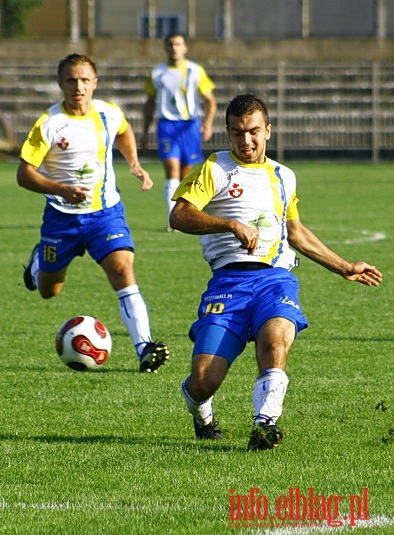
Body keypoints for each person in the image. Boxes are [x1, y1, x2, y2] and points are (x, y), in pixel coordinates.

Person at [169, 93, 382, 450]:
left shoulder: (285, 176)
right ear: (228, 133)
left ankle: (265, 424)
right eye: (237, 132)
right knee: (204, 380)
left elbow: (296, 233)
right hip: (228, 282)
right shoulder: (216, 168)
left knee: (275, 340)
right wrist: (230, 224)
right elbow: (179, 216)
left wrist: (345, 267)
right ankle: (202, 412)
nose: (246, 140)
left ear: (268, 130)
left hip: (274, 278)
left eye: (253, 131)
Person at [17, 53, 169, 373]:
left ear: (95, 83)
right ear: (61, 83)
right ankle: (36, 267)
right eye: (71, 80)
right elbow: (24, 174)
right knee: (48, 290)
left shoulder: (108, 113)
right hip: (61, 216)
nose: (78, 86)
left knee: (122, 269)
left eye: (85, 80)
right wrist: (61, 189)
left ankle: (144, 347)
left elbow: (125, 132)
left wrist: (134, 163)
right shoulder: (49, 123)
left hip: (105, 214)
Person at [141, 32, 217, 228]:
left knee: (185, 175)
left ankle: (183, 215)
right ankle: (170, 220)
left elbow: (210, 100)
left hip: (190, 126)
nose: (174, 48)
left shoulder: (195, 71)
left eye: (178, 44)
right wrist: (144, 131)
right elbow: (149, 103)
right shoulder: (157, 73)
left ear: (185, 48)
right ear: (165, 48)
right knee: (172, 170)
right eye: (171, 44)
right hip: (166, 125)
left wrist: (207, 123)